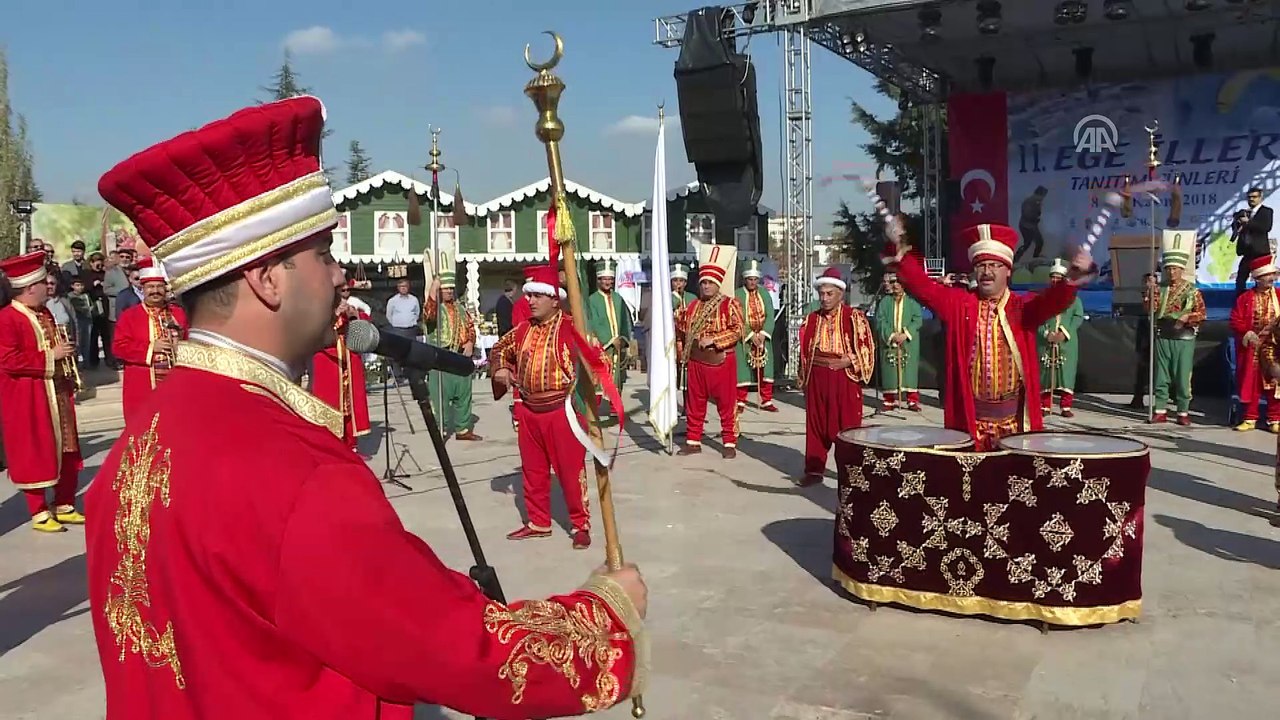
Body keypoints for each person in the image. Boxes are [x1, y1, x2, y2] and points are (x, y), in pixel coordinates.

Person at [87, 96, 646, 719]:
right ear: (267, 278)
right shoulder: (295, 470)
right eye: (324, 255)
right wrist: (606, 614)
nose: (342, 276)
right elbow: (456, 650)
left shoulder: (143, 438)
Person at [890, 223, 1090, 450]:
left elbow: (1053, 301)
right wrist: (901, 253)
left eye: (995, 265)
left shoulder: (1022, 308)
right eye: (981, 265)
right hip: (970, 423)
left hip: (1016, 426)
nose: (987, 271)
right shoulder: (959, 304)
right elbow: (924, 287)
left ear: (1008, 270)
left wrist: (1072, 279)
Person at [490, 265, 593, 548]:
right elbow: (499, 349)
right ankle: (538, 522)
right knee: (533, 471)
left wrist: (593, 366)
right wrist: (500, 369)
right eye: (529, 295)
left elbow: (598, 360)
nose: (530, 301)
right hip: (528, 409)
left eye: (537, 295)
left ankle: (580, 523)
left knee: (570, 472)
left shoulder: (571, 327)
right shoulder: (523, 330)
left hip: (561, 411)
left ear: (554, 298)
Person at [0, 251, 84, 533]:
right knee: (34, 449)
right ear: (29, 288)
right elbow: (8, 360)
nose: (49, 289)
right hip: (29, 395)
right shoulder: (7, 318)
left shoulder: (44, 312)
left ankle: (64, 503)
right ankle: (38, 511)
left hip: (56, 390)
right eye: (43, 285)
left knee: (67, 445)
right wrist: (52, 355)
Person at [797, 267, 875, 486]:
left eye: (829, 293)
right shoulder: (812, 318)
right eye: (821, 294)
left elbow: (867, 346)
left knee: (847, 426)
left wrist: (849, 361)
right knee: (816, 425)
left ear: (840, 294)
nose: (824, 298)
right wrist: (805, 377)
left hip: (844, 378)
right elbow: (804, 349)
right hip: (818, 377)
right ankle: (814, 470)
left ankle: (852, 473)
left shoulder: (854, 317)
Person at [675, 260, 744, 458]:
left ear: (718, 284)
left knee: (726, 402)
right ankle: (693, 441)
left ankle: (729, 442)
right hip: (696, 360)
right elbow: (683, 327)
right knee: (695, 402)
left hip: (720, 360)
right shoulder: (693, 305)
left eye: (710, 283)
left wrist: (714, 339)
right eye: (703, 282)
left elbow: (738, 330)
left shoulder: (730, 303)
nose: (706, 286)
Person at [1147, 232, 1206, 426]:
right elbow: (1151, 309)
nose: (1172, 272)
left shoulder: (1192, 291)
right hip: (1163, 335)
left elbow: (1202, 314)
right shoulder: (1160, 288)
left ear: (1182, 269)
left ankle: (1182, 411)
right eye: (1169, 268)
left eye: (1176, 268)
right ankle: (1160, 410)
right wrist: (1150, 293)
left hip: (1184, 338)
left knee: (1182, 376)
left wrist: (1187, 317)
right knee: (1161, 375)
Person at [308, 283, 371, 453]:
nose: (345, 294)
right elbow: (313, 331)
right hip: (328, 362)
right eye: (341, 291)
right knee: (330, 401)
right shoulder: (318, 307)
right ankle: (332, 444)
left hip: (349, 362)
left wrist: (354, 315)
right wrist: (335, 315)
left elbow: (365, 333)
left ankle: (351, 444)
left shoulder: (353, 305)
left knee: (350, 403)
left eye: (347, 290)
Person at [423, 268, 481, 440]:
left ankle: (463, 428)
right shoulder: (433, 308)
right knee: (440, 394)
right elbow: (429, 314)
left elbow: (470, 327)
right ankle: (439, 429)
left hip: (460, 356)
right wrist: (433, 288)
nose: (448, 291)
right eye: (445, 288)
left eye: (450, 288)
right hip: (440, 356)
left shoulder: (460, 309)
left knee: (463, 393)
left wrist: (470, 341)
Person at [1229, 255, 1280, 432]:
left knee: (1275, 382)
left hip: (1274, 347)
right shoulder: (1245, 298)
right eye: (1268, 276)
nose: (1272, 279)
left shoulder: (1279, 296)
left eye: (1274, 276)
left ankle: (1275, 419)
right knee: (1251, 383)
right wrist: (1246, 332)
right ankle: (1250, 418)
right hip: (1252, 347)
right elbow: (1235, 319)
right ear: (1258, 278)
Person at [1038, 259, 1086, 418]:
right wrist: (1047, 334)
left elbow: (1078, 317)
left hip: (1067, 342)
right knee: (1045, 374)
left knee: (1067, 373)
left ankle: (1066, 406)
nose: (1055, 280)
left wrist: (1063, 333)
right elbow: (1036, 318)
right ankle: (1044, 405)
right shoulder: (1042, 298)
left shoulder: (1074, 299)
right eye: (1053, 277)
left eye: (1059, 277)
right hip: (1047, 341)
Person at [873, 265, 923, 412]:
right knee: (889, 370)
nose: (894, 285)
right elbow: (880, 320)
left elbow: (917, 319)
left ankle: (912, 400)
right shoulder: (884, 302)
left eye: (897, 282)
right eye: (892, 282)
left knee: (910, 371)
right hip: (890, 342)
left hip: (908, 342)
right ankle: (889, 400)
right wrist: (892, 335)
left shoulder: (912, 302)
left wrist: (905, 334)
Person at [586, 260, 631, 419]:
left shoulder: (619, 299)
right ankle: (593, 411)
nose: (607, 282)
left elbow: (625, 320)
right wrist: (611, 340)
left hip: (618, 346)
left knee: (617, 378)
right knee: (598, 380)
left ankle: (614, 409)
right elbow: (593, 322)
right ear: (598, 280)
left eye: (610, 279)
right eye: (604, 279)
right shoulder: (592, 300)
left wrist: (624, 339)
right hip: (602, 347)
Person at [735, 259, 778, 412]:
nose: (752, 282)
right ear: (745, 279)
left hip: (763, 337)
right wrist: (750, 334)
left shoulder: (764, 293)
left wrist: (763, 334)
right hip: (745, 338)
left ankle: (766, 399)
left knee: (765, 368)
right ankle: (740, 400)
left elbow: (770, 314)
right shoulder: (737, 294)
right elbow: (737, 317)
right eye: (749, 279)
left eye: (755, 279)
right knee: (743, 368)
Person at [1234, 187, 1273, 297]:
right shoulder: (1244, 212)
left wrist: (1248, 222)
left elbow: (1265, 227)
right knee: (1240, 279)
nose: (1251, 199)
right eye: (1249, 197)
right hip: (1247, 252)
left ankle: (1264, 303)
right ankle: (1240, 302)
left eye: (1254, 197)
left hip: (1260, 252)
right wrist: (1237, 223)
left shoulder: (1266, 211)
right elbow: (1237, 230)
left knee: (1262, 280)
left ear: (1260, 198)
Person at [1128, 272, 1156, 408]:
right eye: (1146, 282)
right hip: (1145, 336)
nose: (1148, 284)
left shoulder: (1161, 295)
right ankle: (1138, 398)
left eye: (1151, 281)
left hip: (1157, 334)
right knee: (1142, 368)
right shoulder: (1143, 297)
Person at [671, 263, 695, 408]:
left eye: (681, 281)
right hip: (672, 342)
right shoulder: (667, 297)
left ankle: (688, 406)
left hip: (688, 342)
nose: (678, 284)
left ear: (685, 283)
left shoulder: (692, 298)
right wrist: (674, 298)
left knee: (689, 377)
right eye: (675, 281)